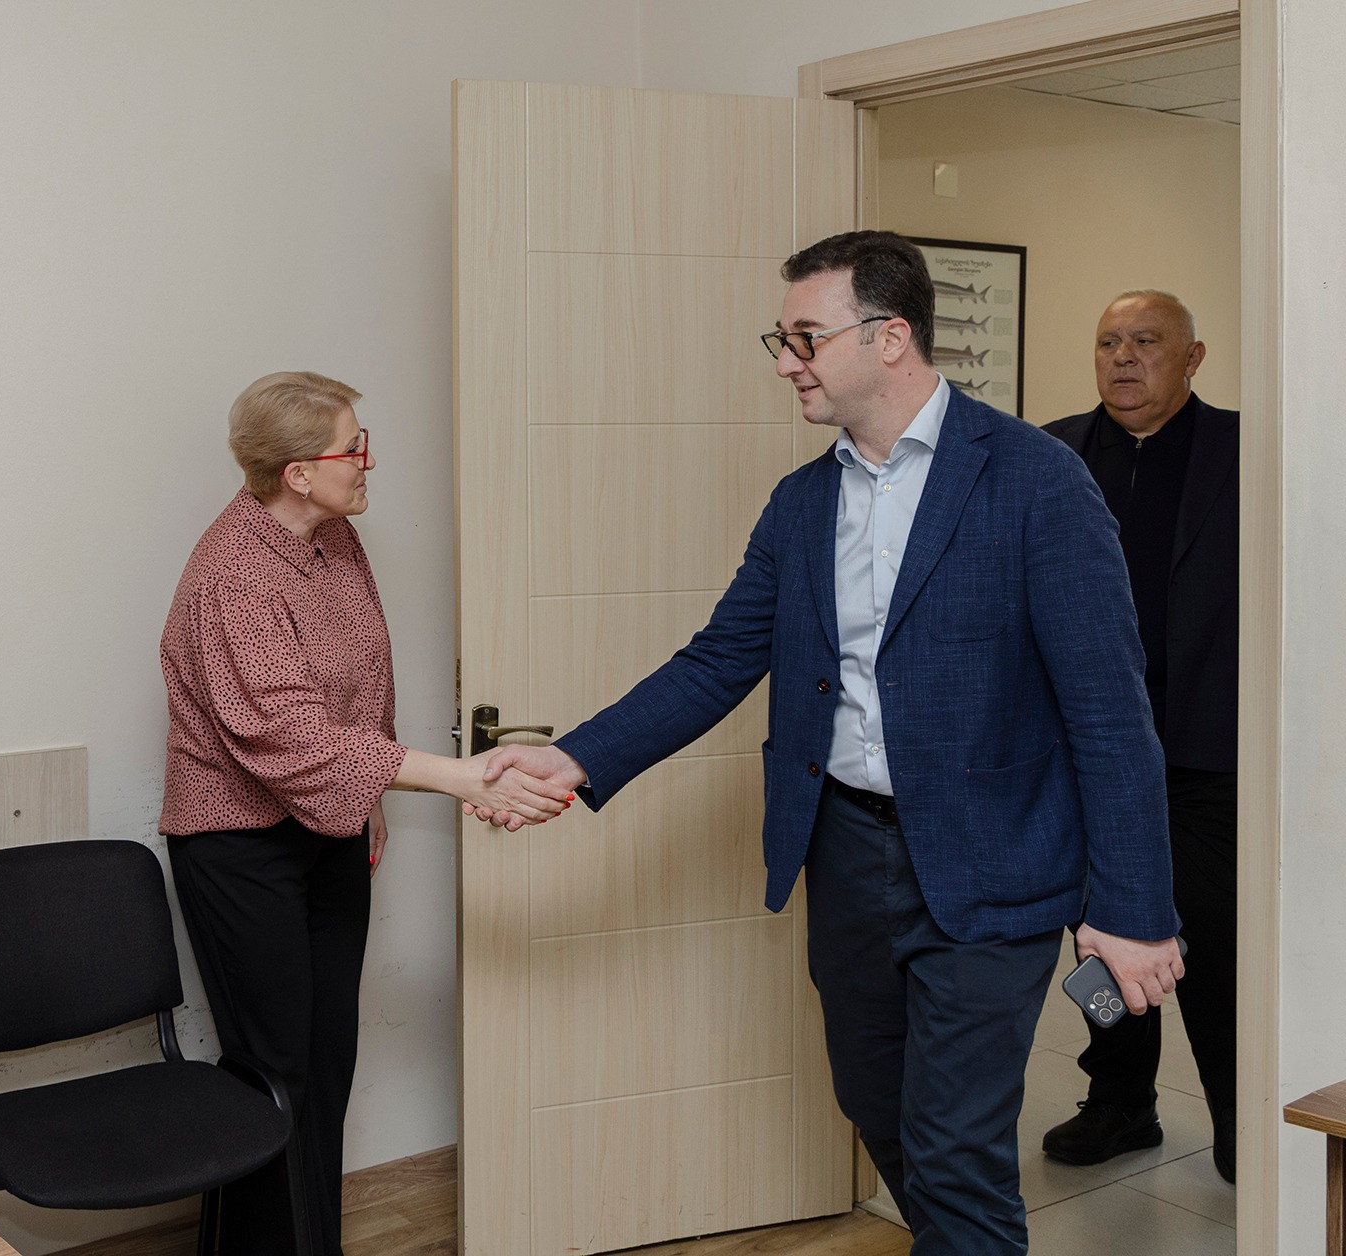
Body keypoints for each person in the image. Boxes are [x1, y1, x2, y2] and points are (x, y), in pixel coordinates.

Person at [473, 232, 1182, 1255]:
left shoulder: (1037, 481)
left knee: (955, 1146)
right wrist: (576, 757)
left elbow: (1111, 713)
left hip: (994, 864)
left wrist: (1133, 909)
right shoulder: (804, 502)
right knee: (876, 1102)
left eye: (805, 337)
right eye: (784, 339)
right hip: (846, 852)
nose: (786, 361)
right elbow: (717, 660)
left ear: (889, 337)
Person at [160, 370, 566, 1255]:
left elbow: (361, 679)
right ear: (299, 472)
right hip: (239, 845)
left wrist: (370, 791)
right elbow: (291, 735)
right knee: (275, 1071)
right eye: (355, 447)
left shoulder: (335, 537)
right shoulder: (233, 575)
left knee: (326, 1059)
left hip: (329, 829)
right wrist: (458, 779)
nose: (369, 461)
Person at [1039, 291, 1239, 1182]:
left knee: (1217, 944)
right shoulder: (1051, 452)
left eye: (1146, 342)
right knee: (1100, 942)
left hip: (1205, 748)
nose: (1123, 357)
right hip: (1085, 751)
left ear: (1192, 358)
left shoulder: (1245, 448)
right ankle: (1121, 1101)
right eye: (1108, 341)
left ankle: (1237, 1112)